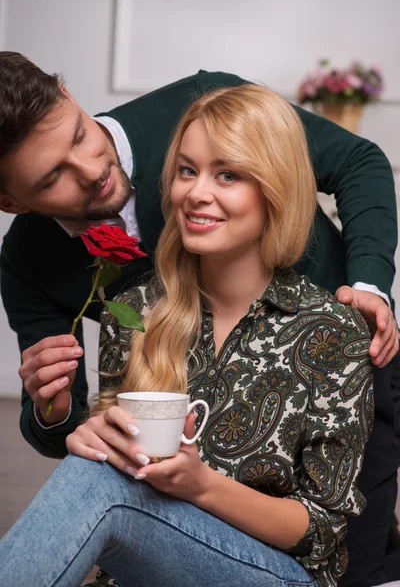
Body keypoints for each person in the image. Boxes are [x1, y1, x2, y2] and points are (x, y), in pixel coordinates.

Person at [0, 52, 398, 586]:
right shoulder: (129, 314)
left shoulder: (202, 110)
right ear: (12, 201)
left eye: (78, 137)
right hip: (179, 534)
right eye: (52, 179)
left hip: (340, 372)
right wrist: (64, 418)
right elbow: (68, 427)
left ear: (68, 96)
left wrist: (368, 286)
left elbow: (359, 162)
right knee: (94, 476)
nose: (92, 171)